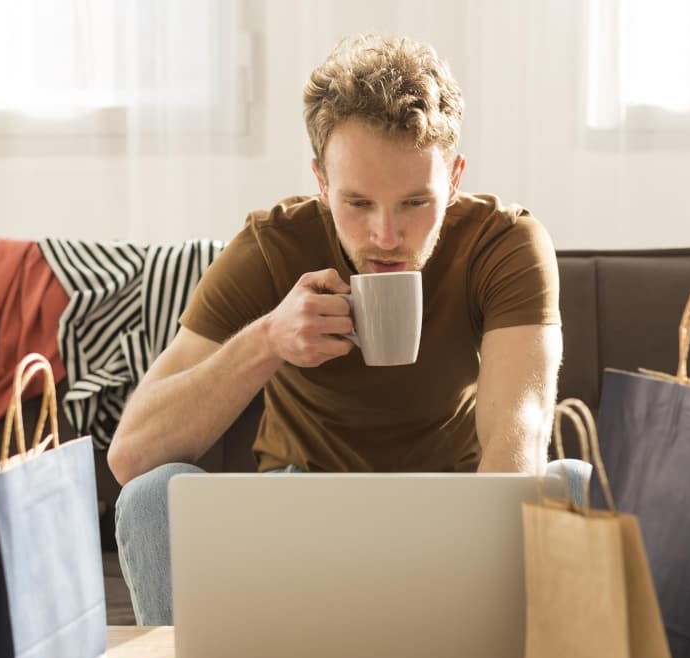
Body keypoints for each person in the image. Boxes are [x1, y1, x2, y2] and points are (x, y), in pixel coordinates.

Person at [107, 34, 584, 626]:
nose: (386, 236)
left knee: (574, 484)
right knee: (153, 497)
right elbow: (132, 455)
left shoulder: (504, 245)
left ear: (455, 178)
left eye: (415, 202)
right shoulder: (272, 245)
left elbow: (518, 445)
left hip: (454, 511)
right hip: (301, 517)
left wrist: (463, 591)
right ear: (321, 181)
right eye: (357, 202)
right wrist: (268, 341)